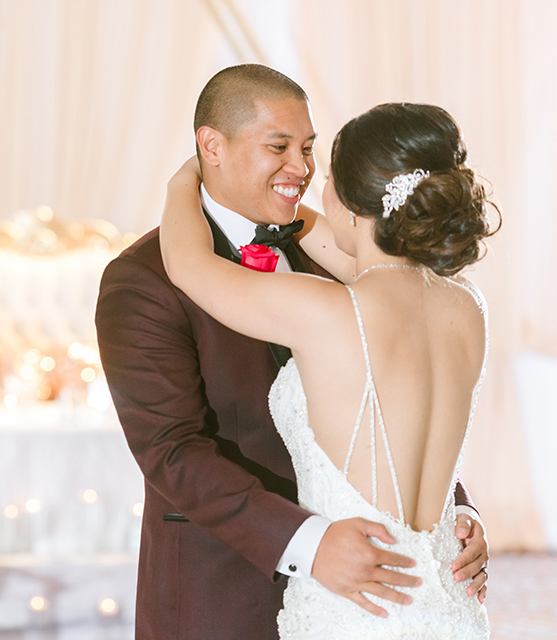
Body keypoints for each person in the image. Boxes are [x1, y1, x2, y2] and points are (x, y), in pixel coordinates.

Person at [96, 64, 489, 640]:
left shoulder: (332, 269)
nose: (303, 169)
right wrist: (308, 544)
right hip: (227, 594)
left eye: (309, 150)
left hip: (368, 597)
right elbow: (171, 451)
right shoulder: (141, 281)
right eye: (279, 147)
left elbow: (398, 403)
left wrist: (460, 511)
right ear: (213, 145)